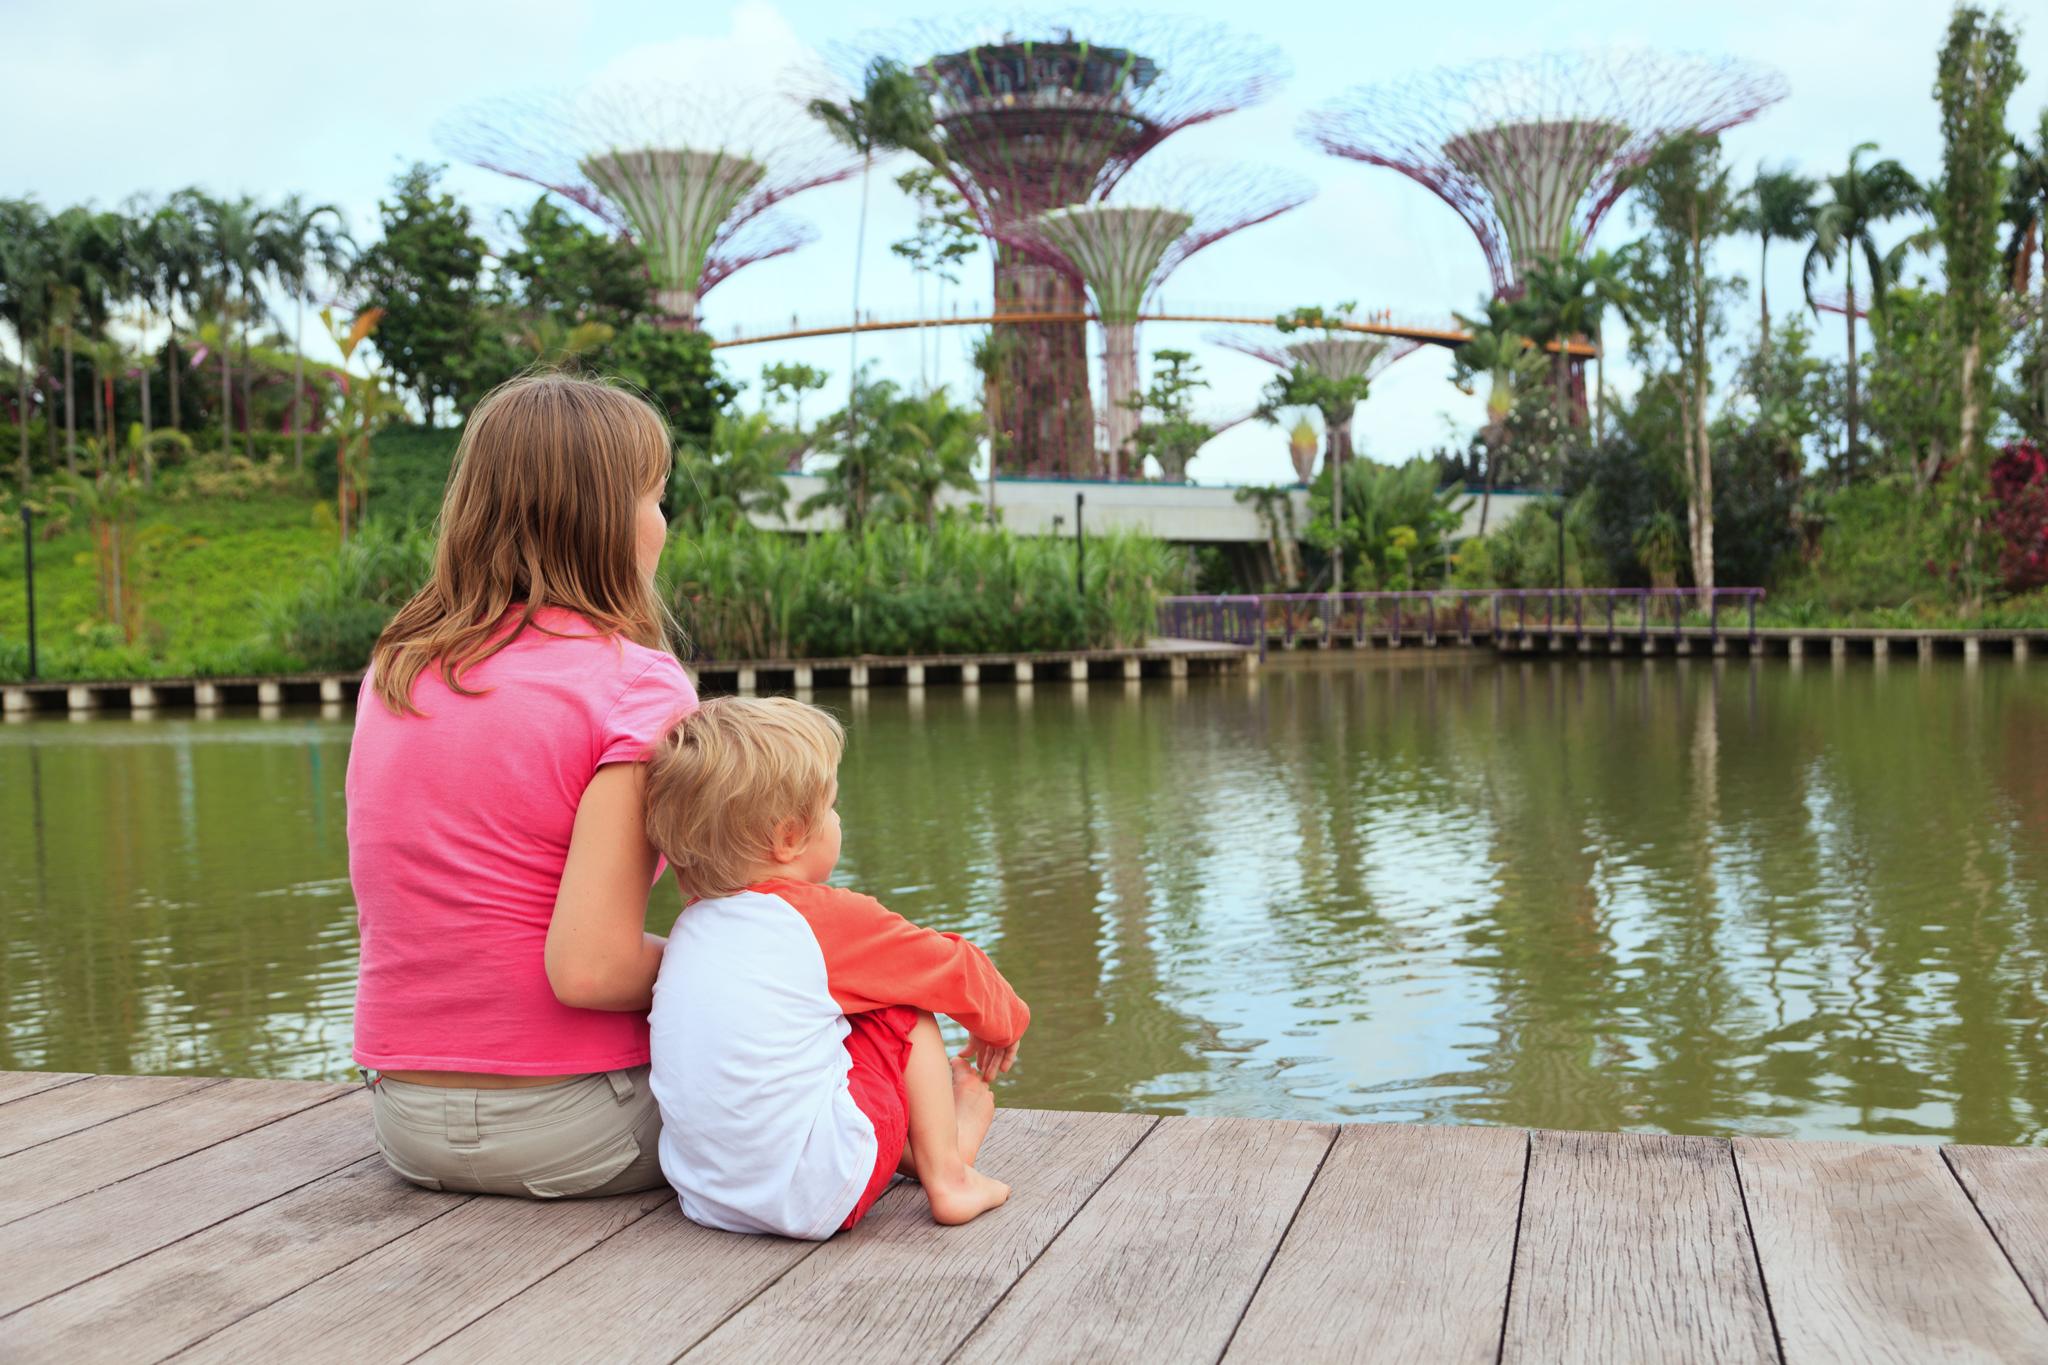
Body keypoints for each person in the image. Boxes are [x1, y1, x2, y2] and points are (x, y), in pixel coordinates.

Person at [347, 373, 697, 1198]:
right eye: (654, 497)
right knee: (843, 1014)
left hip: (405, 1123)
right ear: (606, 522)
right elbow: (592, 968)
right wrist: (753, 962)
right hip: (584, 1124)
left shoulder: (396, 671)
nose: (663, 524)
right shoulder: (635, 688)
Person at [642, 696, 1028, 1237]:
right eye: (830, 807)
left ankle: (930, 1152)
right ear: (789, 837)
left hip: (708, 1196)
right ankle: (951, 1177)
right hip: (818, 1191)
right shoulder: (820, 919)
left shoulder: (692, 928)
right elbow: (950, 968)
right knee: (902, 1003)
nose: (838, 818)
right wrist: (1005, 1023)